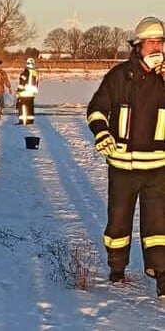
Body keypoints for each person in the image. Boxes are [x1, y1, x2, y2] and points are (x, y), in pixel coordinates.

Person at [87, 16, 165, 297]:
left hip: (158, 167)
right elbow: (97, 109)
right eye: (151, 42)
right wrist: (101, 133)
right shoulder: (119, 76)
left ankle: (162, 275)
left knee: (158, 225)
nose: (157, 48)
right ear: (138, 45)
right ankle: (117, 268)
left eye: (160, 42)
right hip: (122, 166)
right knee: (118, 220)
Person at [16, 57, 39, 125]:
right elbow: (36, 83)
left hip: (24, 93)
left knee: (22, 107)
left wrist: (18, 92)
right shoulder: (35, 73)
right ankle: (30, 121)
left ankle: (22, 121)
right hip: (31, 93)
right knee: (30, 107)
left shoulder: (24, 73)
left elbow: (21, 83)